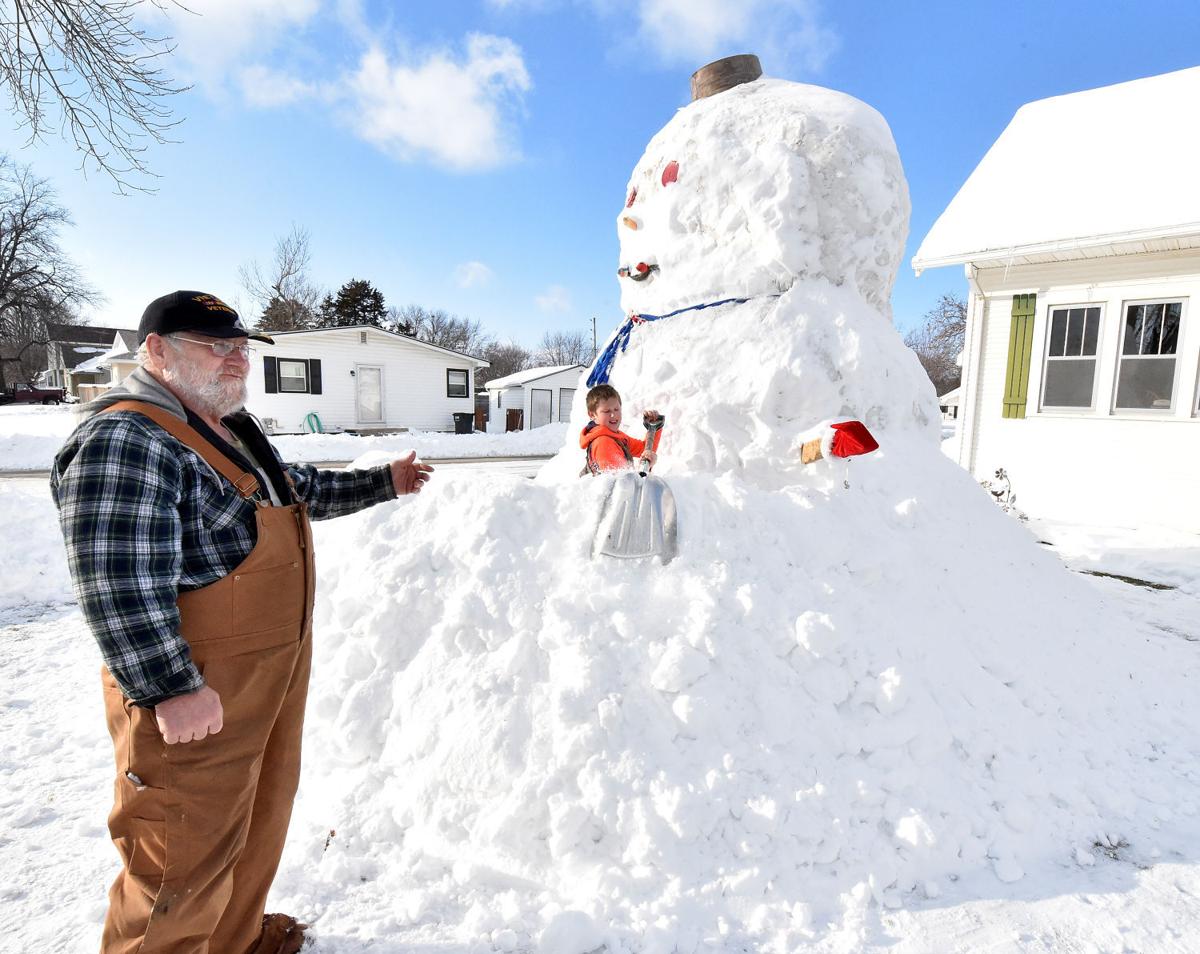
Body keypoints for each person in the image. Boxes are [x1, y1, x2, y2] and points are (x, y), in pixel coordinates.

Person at [50, 290, 433, 954]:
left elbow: (293, 489)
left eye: (240, 348)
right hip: (195, 687)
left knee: (253, 823)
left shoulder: (224, 428)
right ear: (156, 350)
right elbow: (118, 582)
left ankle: (232, 942)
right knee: (178, 858)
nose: (235, 361)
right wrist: (170, 687)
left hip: (260, 680)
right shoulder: (126, 437)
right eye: (214, 347)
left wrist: (383, 483)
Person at [579, 383, 664, 474]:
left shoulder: (615, 436)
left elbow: (644, 450)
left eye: (616, 409)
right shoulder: (604, 442)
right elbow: (622, 484)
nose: (613, 415)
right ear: (592, 415)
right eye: (606, 411)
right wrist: (647, 467)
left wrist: (654, 429)